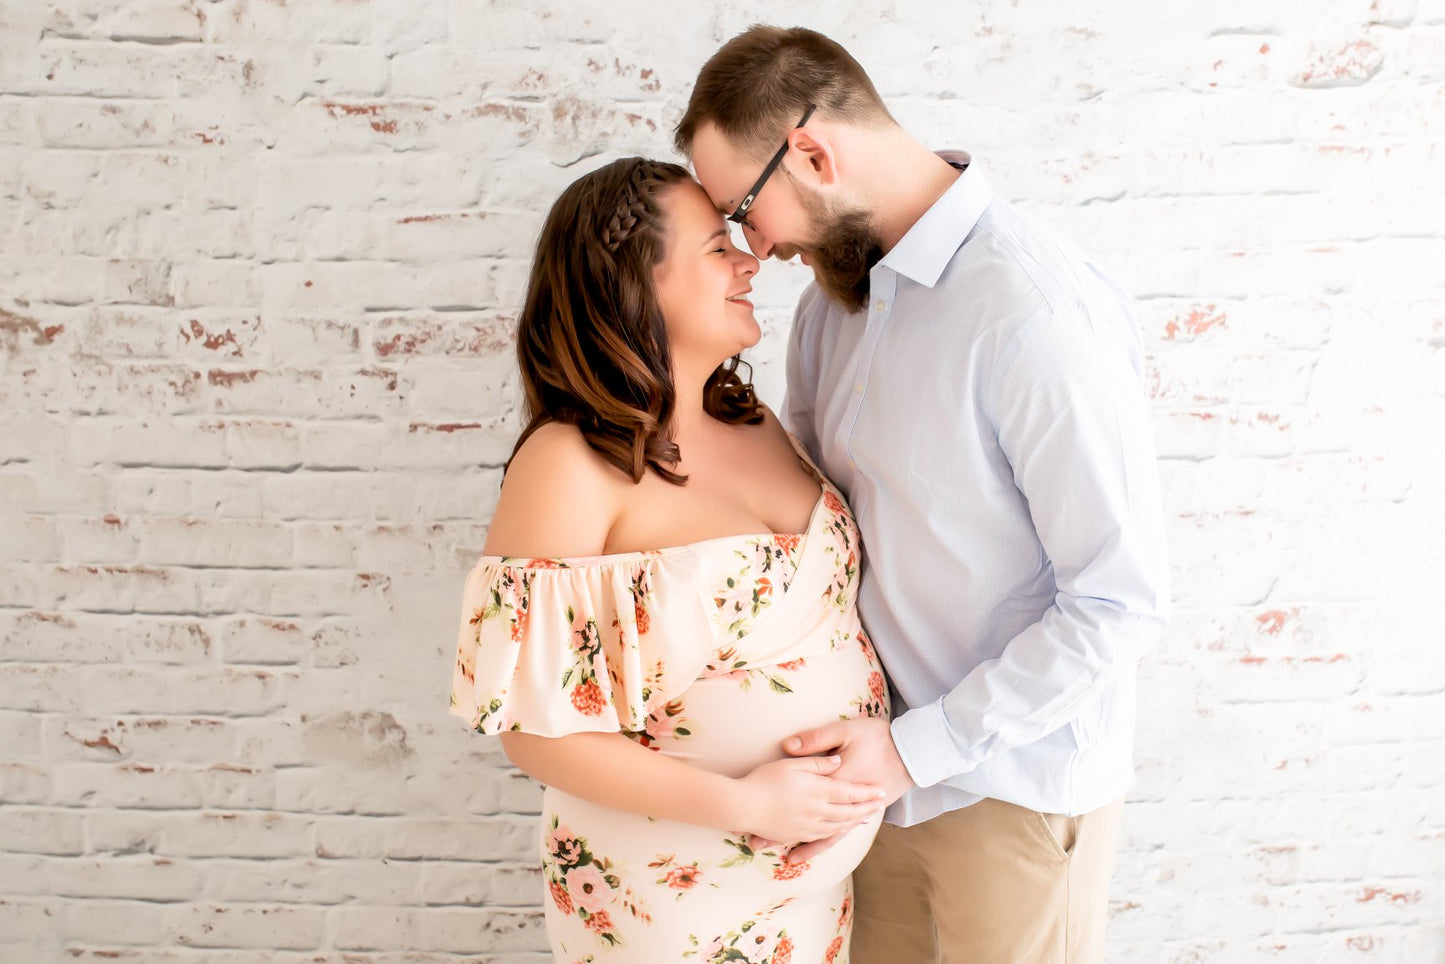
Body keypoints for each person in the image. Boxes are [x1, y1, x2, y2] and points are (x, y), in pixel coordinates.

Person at [674, 26, 1171, 964]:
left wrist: (913, 750)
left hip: (1009, 790)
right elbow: (822, 535)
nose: (753, 246)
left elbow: (1119, 603)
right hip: (867, 784)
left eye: (746, 208)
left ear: (812, 154)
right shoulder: (831, 304)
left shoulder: (1034, 313)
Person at [448, 156, 895, 962]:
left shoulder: (753, 420)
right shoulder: (568, 462)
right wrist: (744, 802)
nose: (749, 261)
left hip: (814, 894)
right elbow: (532, 732)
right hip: (662, 901)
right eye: (716, 247)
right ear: (636, 283)